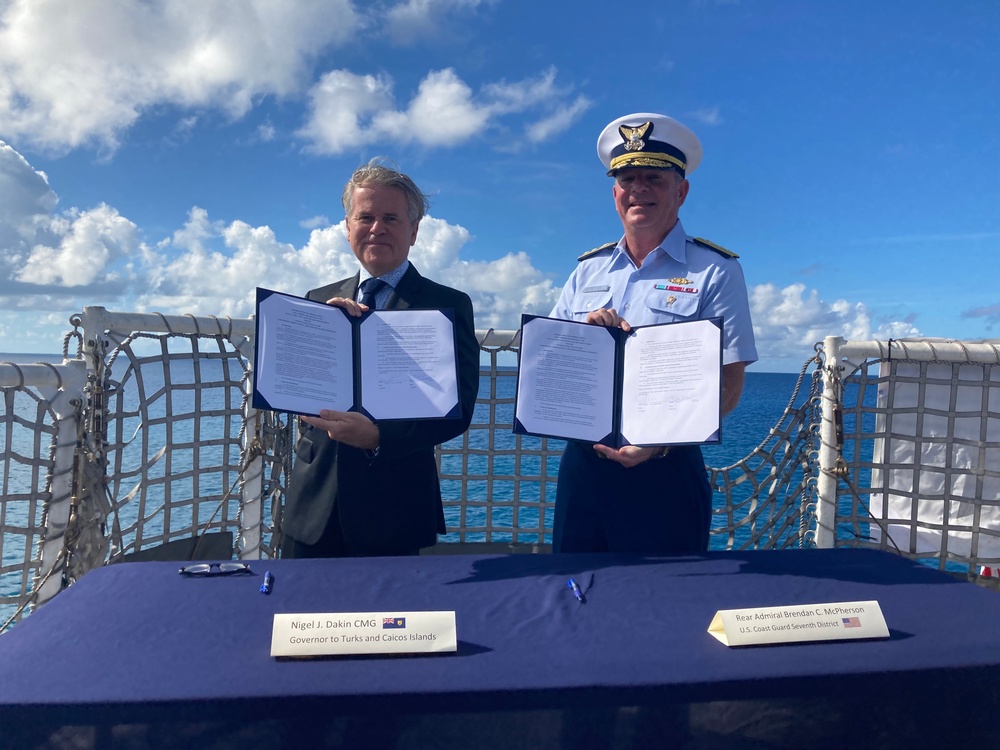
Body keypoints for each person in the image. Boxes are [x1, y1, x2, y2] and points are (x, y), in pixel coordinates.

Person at [549, 112, 758, 557]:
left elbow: (729, 384)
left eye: (654, 178)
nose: (638, 189)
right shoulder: (586, 271)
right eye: (627, 179)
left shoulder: (715, 271)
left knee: (669, 604)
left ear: (680, 191)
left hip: (667, 468)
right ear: (614, 193)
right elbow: (553, 367)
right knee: (572, 596)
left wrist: (660, 444)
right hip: (584, 468)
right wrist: (582, 338)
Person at [280, 158, 480, 558]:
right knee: (300, 618)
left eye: (391, 217)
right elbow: (293, 390)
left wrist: (377, 438)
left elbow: (459, 411)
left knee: (392, 621)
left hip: (395, 506)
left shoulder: (447, 305)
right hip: (312, 505)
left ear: (414, 231)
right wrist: (326, 335)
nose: (377, 228)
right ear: (348, 227)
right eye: (365, 216)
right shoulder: (318, 302)